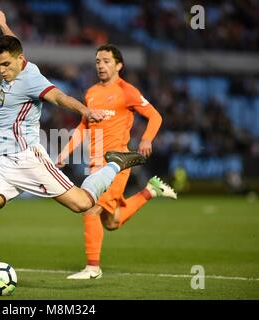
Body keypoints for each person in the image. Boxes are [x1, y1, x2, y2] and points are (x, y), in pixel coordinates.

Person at [0, 10, 146, 295]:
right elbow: (13, 43)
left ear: (19, 60)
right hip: (2, 165)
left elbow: (59, 97)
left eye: (6, 65)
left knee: (84, 204)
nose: (1, 70)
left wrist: (85, 110)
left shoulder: (30, 79)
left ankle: (116, 163)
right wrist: (2, 24)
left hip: (28, 160)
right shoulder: (16, 59)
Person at [57, 45, 178, 279]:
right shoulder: (91, 92)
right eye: (97, 61)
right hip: (95, 164)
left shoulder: (127, 91)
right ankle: (150, 192)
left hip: (116, 163)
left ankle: (93, 268)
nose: (100, 65)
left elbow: (155, 116)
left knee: (90, 208)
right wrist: (65, 152)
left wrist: (146, 139)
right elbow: (83, 126)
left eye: (106, 61)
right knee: (111, 222)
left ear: (119, 65)